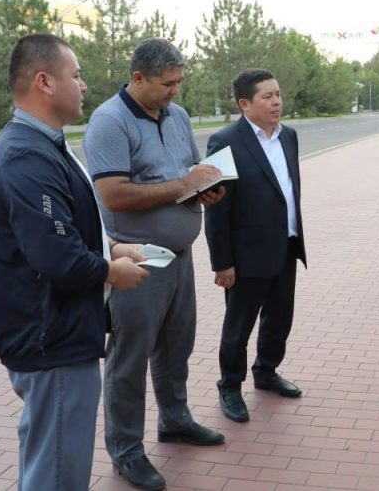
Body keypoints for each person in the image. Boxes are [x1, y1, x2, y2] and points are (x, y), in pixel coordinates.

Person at [0, 33, 150, 491]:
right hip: (50, 336)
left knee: (47, 458)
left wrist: (110, 247)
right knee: (58, 472)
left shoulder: (45, 142)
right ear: (44, 82)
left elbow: (63, 224)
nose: (84, 84)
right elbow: (55, 254)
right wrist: (111, 271)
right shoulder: (27, 152)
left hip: (56, 329)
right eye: (75, 75)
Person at [83, 38, 226, 491]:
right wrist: (183, 184)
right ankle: (126, 450)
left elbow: (189, 170)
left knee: (176, 346)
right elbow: (113, 194)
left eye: (179, 82)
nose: (175, 91)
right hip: (138, 262)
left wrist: (204, 188)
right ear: (138, 78)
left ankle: (175, 419)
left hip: (180, 257)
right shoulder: (109, 122)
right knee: (130, 360)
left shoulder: (176, 115)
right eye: (168, 84)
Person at [204, 68, 307, 423]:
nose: (277, 102)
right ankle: (230, 387)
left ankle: (266, 371)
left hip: (286, 246)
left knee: (280, 318)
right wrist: (222, 262)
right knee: (239, 326)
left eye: (278, 94)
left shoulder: (289, 136)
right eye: (268, 96)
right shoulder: (224, 141)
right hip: (246, 255)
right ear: (244, 104)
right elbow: (216, 209)